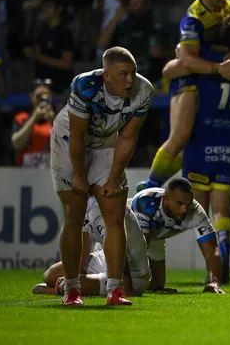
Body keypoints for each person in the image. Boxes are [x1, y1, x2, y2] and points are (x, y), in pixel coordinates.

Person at [50, 46, 153, 306]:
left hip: (107, 142)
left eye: (133, 73)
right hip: (69, 142)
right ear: (106, 75)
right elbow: (77, 136)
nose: (130, 80)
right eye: (123, 74)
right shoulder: (84, 86)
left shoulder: (144, 90)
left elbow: (129, 136)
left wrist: (114, 177)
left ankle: (115, 290)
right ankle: (71, 289)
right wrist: (80, 176)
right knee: (74, 214)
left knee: (114, 215)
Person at [137, 0, 230, 192]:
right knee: (181, 136)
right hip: (191, 77)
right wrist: (218, 68)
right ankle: (150, 187)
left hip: (207, 77)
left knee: (195, 144)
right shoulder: (193, 19)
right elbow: (187, 61)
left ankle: (153, 185)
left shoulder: (229, 8)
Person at [180, 11, 230, 284]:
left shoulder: (210, 61)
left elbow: (179, 65)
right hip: (228, 143)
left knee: (199, 214)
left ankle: (212, 268)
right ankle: (223, 255)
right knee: (223, 212)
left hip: (201, 141)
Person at [32, 196, 150, 297]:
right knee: (50, 276)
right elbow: (82, 256)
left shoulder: (104, 206)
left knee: (65, 285)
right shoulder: (86, 206)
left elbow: (121, 251)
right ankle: (82, 284)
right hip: (105, 259)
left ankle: (58, 290)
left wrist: (124, 286)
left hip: (133, 275)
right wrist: (71, 278)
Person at [132, 178, 225, 294]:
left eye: (188, 204)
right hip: (127, 233)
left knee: (158, 285)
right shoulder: (146, 203)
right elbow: (139, 247)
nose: (184, 210)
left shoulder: (195, 211)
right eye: (179, 203)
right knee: (135, 283)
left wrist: (215, 282)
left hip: (156, 236)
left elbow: (211, 251)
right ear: (165, 199)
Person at [11, 84, 53, 168]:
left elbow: (67, 145)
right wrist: (34, 118)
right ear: (31, 97)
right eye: (38, 97)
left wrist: (53, 122)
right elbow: (16, 145)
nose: (41, 100)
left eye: (45, 97)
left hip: (50, 173)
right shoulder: (21, 119)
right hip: (25, 172)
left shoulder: (58, 120)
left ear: (51, 97)